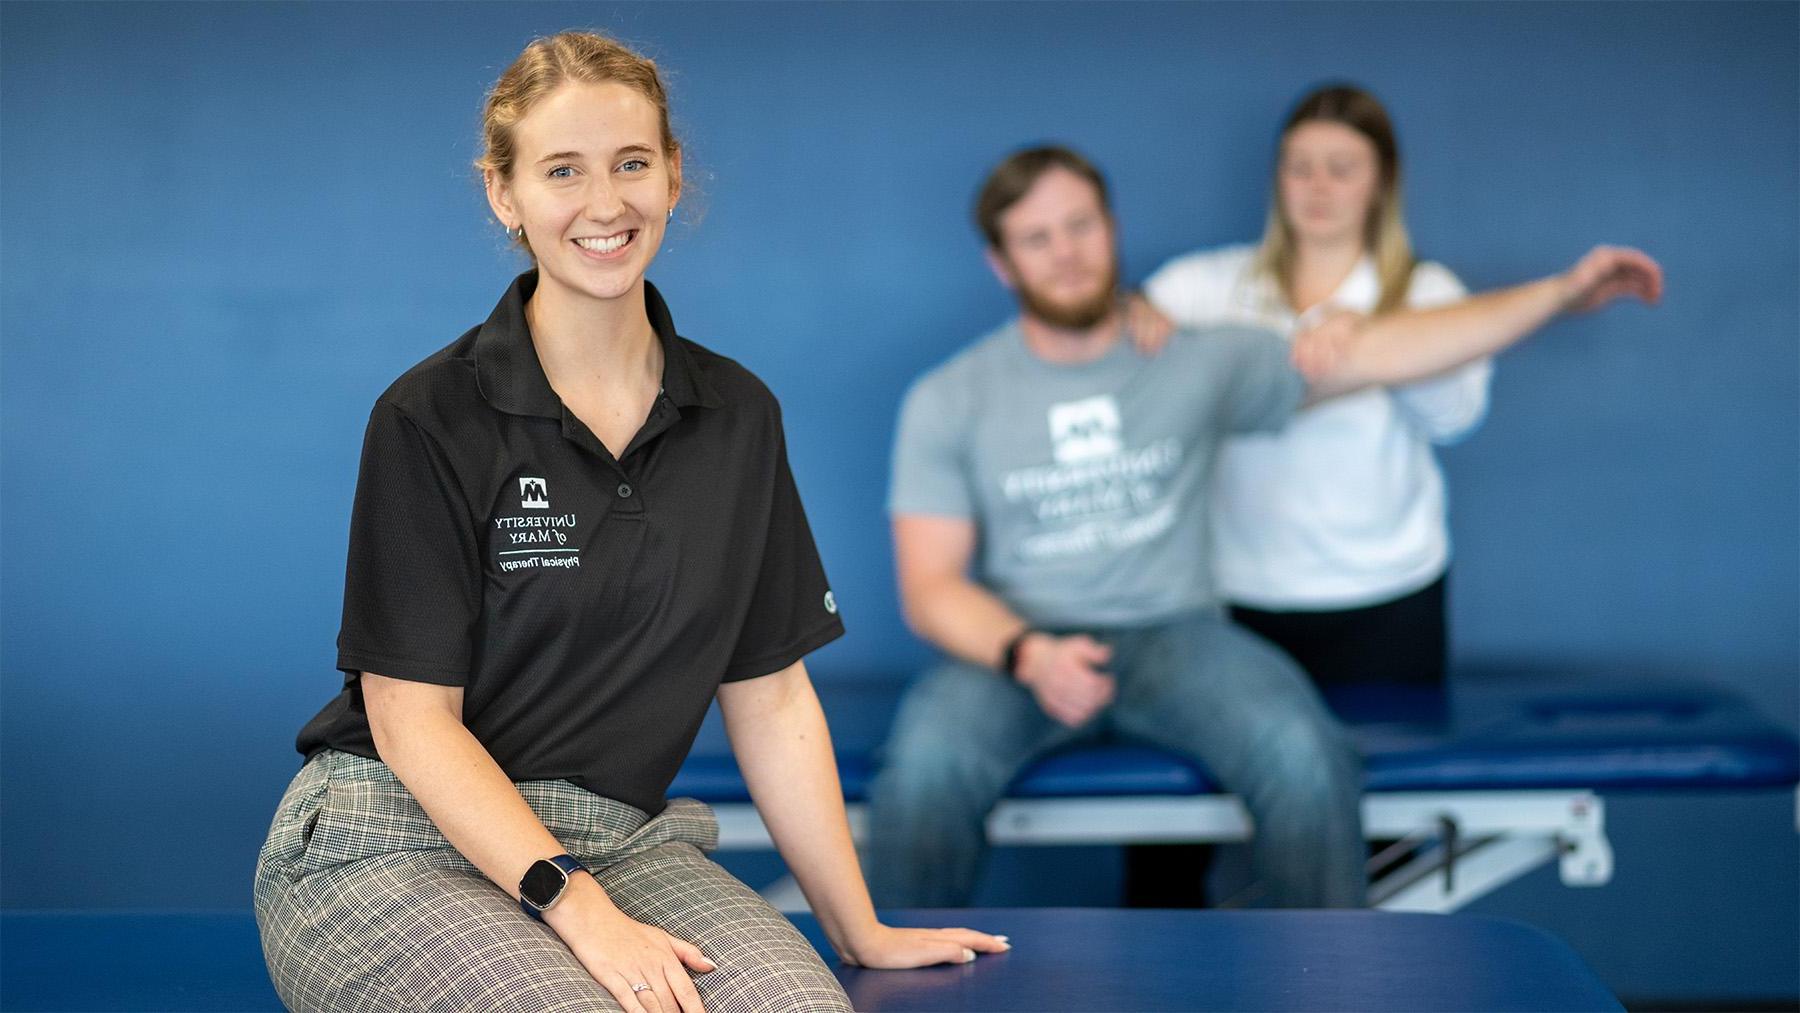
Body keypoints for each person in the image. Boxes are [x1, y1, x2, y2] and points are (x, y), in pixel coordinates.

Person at [252, 31, 1004, 1013]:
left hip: (619, 834)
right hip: (392, 832)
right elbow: (409, 720)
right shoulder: (431, 414)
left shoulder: (738, 414)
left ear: (673, 175)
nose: (605, 204)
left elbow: (771, 695)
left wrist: (856, 923)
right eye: (563, 170)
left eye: (631, 164)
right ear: (504, 193)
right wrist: (578, 905)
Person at [862, 144, 1659, 910]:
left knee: (1305, 754)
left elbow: (1392, 351)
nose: (1066, 252)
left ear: (1112, 227)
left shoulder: (1196, 359)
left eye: (1082, 225)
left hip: (1176, 636)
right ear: (1001, 263)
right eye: (1037, 238)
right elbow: (930, 588)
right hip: (1016, 646)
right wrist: (1030, 654)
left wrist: (1559, 293)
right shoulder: (950, 397)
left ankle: (1333, 989)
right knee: (925, 768)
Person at [1141, 84, 1494, 694]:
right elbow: (1102, 347)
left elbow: (1456, 419)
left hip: (1385, 594)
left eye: (1341, 169)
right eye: (1300, 168)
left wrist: (1374, 341)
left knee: (1382, 780)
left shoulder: (1427, 294)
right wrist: (1133, 317)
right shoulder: (1205, 286)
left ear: (1381, 180)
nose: (1318, 187)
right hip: (1235, 595)